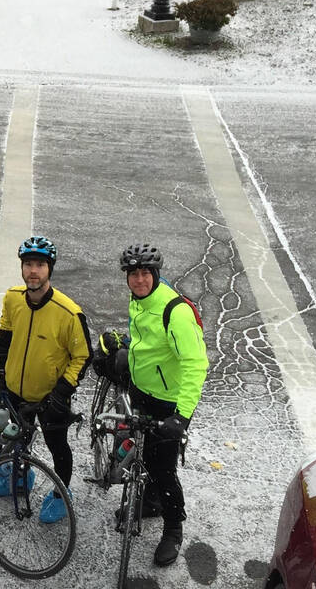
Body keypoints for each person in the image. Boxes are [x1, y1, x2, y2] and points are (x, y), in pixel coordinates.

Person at [0, 236, 92, 523]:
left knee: (58, 447)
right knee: (17, 440)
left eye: (40, 265)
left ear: (50, 269)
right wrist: (2, 350)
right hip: (15, 390)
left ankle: (61, 495)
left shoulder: (68, 313)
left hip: (50, 396)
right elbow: (7, 329)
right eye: (28, 264)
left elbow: (82, 356)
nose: (33, 271)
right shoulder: (13, 298)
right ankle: (21, 478)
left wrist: (61, 392)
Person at [119, 243, 208, 567]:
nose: (139, 280)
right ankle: (152, 502)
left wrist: (181, 416)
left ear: (156, 274)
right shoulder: (138, 301)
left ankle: (173, 527)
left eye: (145, 273)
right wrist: (124, 350)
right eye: (133, 274)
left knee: (163, 468)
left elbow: (196, 365)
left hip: (169, 403)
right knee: (141, 452)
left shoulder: (175, 311)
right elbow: (145, 341)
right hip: (142, 392)